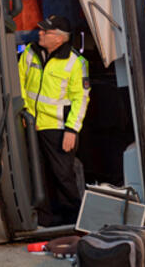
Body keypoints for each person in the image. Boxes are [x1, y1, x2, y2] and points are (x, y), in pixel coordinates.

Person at [17, 15, 90, 226]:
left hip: (58, 128)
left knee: (63, 176)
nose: (39, 33)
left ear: (58, 39)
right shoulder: (30, 52)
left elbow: (81, 99)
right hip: (31, 124)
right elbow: (19, 81)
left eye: (45, 31)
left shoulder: (76, 63)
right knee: (38, 172)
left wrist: (71, 130)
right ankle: (47, 219)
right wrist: (24, 111)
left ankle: (73, 219)